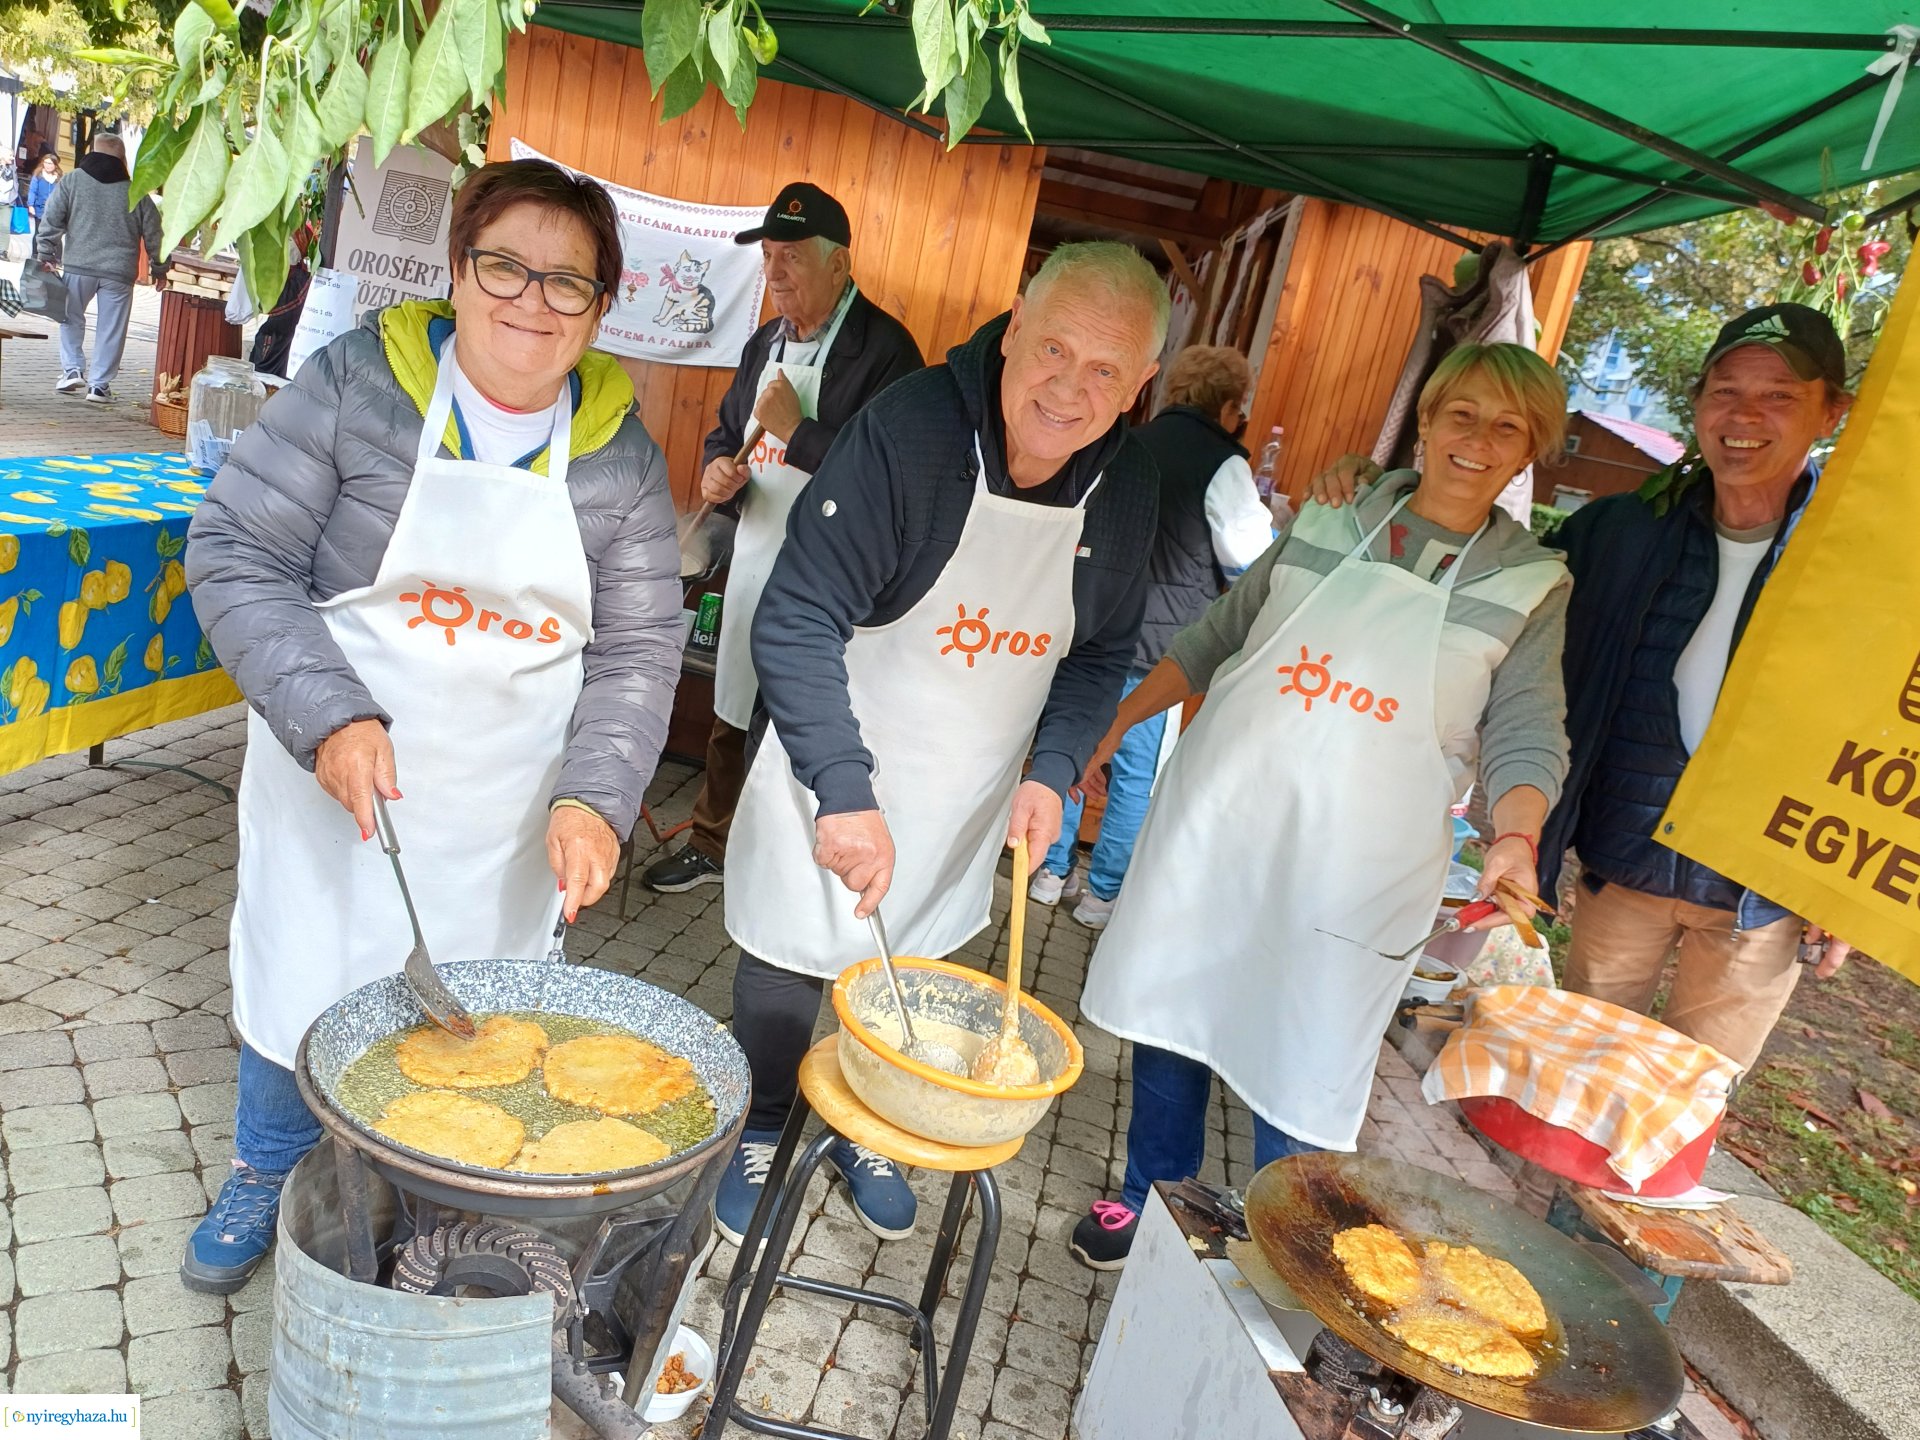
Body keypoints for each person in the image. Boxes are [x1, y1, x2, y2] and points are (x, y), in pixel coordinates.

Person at [181, 159, 683, 1292]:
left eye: (568, 282)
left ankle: (431, 1193)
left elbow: (642, 650)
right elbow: (234, 551)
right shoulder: (357, 386)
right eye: (505, 266)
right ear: (459, 272)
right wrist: (330, 718)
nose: (531, 301)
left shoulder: (618, 453)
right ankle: (265, 1169)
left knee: (476, 1016)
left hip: (508, 806)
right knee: (302, 966)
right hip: (340, 775)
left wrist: (593, 800)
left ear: (600, 308)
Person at [1073, 342, 1572, 1270]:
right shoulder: (1332, 514)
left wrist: (1517, 834)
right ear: (1426, 420)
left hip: (1357, 870)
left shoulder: (1530, 581)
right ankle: (1151, 1202)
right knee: (1174, 1011)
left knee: (1305, 1056)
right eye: (1461, 413)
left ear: (1528, 449)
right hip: (1224, 821)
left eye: (1508, 427)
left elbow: (1530, 725)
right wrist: (1111, 726)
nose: (1478, 440)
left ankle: (1290, 1252)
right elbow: (1220, 633)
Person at [713, 241, 1167, 1242]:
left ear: (1140, 385)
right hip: (843, 732)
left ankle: (872, 1118)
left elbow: (1099, 655)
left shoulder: (1128, 490)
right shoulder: (913, 432)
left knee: (907, 960)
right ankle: (769, 1118)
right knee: (794, 941)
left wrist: (1054, 772)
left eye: (1105, 371)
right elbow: (796, 616)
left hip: (968, 780)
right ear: (1012, 332)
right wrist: (840, 786)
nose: (1069, 389)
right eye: (1053, 350)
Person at [1533, 304, 1854, 1069]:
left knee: (1684, 1110)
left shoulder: (1860, 562)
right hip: (1628, 863)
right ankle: (1548, 1197)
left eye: (1779, 395)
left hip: (1759, 892)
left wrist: (1849, 886)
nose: (1744, 416)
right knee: (1577, 1094)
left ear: (1832, 410)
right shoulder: (1621, 532)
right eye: (1724, 391)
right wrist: (1391, 485)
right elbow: (1494, 571)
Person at [642, 183, 922, 895]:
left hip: (834, 576)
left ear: (839, 264)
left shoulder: (886, 352)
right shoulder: (766, 342)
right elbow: (728, 431)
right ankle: (710, 842)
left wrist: (800, 434)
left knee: (802, 707)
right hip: (759, 549)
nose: (774, 274)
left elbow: (897, 483)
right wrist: (715, 471)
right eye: (768, 257)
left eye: (790, 257)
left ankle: (789, 864)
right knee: (733, 697)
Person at [1031, 344, 1271, 928]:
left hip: (1091, 628)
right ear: (1231, 407)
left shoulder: (1127, 442)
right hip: (1160, 649)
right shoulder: (1226, 466)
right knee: (1136, 776)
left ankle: (1047, 871)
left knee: (1071, 747)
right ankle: (1103, 895)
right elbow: (1252, 560)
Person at [33, 134, 164, 403]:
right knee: (111, 328)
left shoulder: (72, 180)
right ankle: (99, 386)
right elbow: (155, 233)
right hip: (119, 273)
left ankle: (72, 370)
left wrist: (45, 253)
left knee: (69, 317)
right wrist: (160, 268)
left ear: (94, 151)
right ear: (122, 157)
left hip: (79, 265)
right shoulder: (135, 190)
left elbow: (52, 218)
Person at [26, 152, 59, 227]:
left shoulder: (59, 177)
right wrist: (30, 205)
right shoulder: (38, 175)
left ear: (55, 165)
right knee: (38, 232)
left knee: (49, 233)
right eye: (46, 163)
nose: (47, 165)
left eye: (50, 163)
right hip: (39, 208)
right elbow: (32, 191)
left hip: (54, 210)